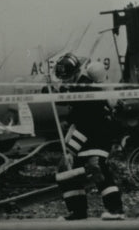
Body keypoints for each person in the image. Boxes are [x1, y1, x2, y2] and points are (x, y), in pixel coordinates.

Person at [52, 53, 126, 220]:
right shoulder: (77, 86)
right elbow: (66, 96)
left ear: (76, 73)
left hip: (97, 134)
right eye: (62, 79)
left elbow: (86, 121)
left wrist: (71, 149)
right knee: (68, 170)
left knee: (96, 166)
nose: (65, 81)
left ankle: (115, 209)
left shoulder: (85, 88)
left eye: (67, 78)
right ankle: (77, 211)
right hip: (86, 133)